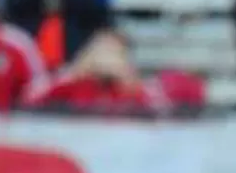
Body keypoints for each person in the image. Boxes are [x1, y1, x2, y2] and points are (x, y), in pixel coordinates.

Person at [21, 30, 173, 115]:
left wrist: (130, 82)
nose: (105, 59)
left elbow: (165, 111)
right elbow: (29, 98)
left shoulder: (135, 87)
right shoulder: (76, 82)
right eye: (100, 51)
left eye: (112, 53)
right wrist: (76, 72)